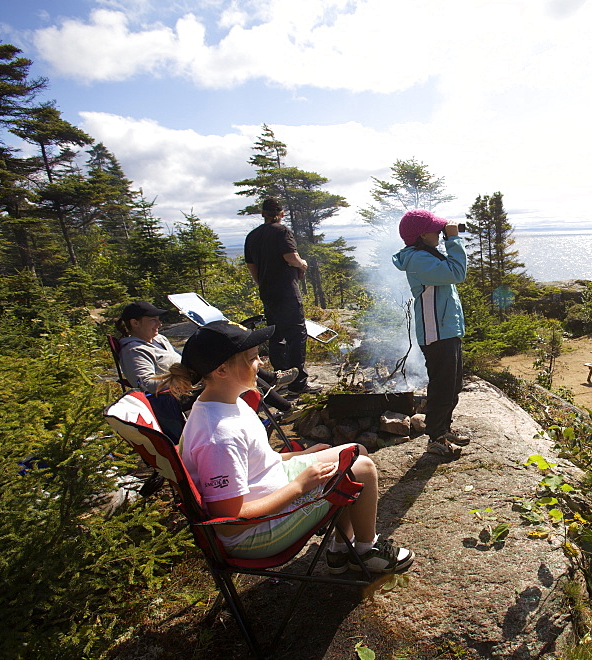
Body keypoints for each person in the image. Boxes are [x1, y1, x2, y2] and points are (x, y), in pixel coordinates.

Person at [157, 320, 414, 572]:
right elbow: (229, 523)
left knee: (354, 451)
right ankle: (367, 551)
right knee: (362, 468)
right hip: (254, 536)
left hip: (270, 493)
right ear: (221, 370)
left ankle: (341, 549)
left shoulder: (225, 403)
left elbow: (254, 464)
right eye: (251, 358)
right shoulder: (219, 435)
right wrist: (300, 485)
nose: (261, 363)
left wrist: (297, 456)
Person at [114, 300, 296, 413]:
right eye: (153, 320)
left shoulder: (158, 339)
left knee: (235, 366)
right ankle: (281, 398)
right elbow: (144, 385)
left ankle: (275, 385)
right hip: (177, 395)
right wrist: (184, 379)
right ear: (134, 323)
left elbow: (180, 358)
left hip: (191, 381)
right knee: (236, 374)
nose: (159, 324)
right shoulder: (134, 351)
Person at [392, 210, 471, 456]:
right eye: (435, 229)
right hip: (436, 332)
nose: (439, 232)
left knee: (452, 385)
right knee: (442, 388)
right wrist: (453, 239)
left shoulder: (426, 254)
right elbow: (457, 273)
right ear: (421, 235)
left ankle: (443, 428)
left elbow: (450, 271)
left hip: (446, 329)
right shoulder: (417, 259)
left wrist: (449, 239)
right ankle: (435, 438)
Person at [243, 197, 322, 395]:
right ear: (282, 214)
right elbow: (290, 257)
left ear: (262, 213)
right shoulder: (283, 231)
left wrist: (261, 282)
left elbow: (251, 265)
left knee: (276, 335)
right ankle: (298, 383)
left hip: (267, 292)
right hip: (286, 290)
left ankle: (281, 379)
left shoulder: (252, 236)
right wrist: (302, 264)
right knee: (296, 335)